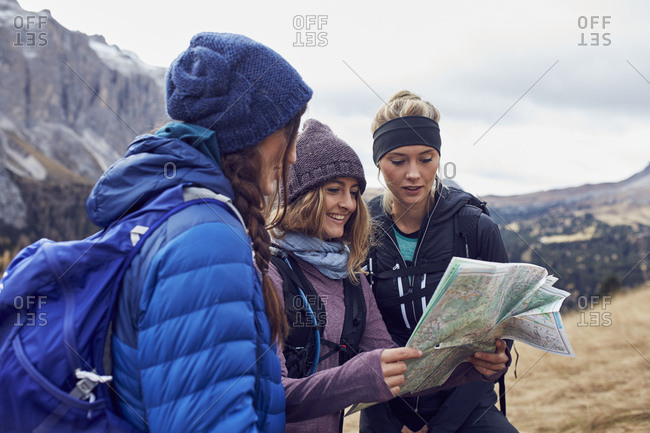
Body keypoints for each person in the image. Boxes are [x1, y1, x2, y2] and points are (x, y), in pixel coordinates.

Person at [87, 33, 312, 433]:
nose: (293, 155)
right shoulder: (207, 239)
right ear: (254, 135)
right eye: (288, 134)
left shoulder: (166, 206)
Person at [267, 119, 509, 433]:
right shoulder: (268, 272)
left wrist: (475, 369)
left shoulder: (349, 276)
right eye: (334, 190)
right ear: (301, 194)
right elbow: (270, 395)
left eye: (354, 192)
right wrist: (361, 377)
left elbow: (398, 364)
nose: (348, 204)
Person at [359, 91, 519, 433]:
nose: (414, 174)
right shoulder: (359, 231)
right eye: (398, 161)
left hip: (466, 405)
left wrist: (497, 362)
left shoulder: (475, 227)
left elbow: (502, 329)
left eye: (426, 158)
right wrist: (400, 421)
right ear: (378, 163)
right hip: (384, 407)